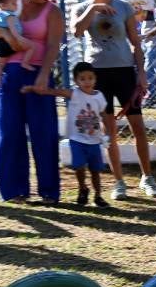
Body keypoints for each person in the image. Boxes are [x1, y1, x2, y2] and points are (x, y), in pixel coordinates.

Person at [72, 0, 156, 199]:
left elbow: (136, 43)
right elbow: (77, 31)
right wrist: (94, 8)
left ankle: (147, 177)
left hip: (124, 72)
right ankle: (119, 182)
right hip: (97, 76)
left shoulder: (123, 7)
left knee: (138, 126)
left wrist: (141, 73)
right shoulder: (80, 8)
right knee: (109, 131)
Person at [0, 0, 62, 204]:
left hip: (37, 71)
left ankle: (49, 191)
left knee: (44, 133)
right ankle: (14, 191)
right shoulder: (9, 0)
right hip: (8, 73)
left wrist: (45, 73)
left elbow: (53, 45)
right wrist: (3, 34)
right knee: (9, 131)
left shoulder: (52, 11)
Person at [28, 62, 109, 207]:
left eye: (90, 78)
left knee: (96, 170)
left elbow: (104, 115)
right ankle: (82, 189)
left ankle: (98, 195)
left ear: (95, 78)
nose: (87, 82)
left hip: (95, 141)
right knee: (79, 167)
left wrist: (107, 134)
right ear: (76, 81)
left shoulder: (100, 97)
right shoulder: (74, 94)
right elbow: (54, 92)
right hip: (77, 140)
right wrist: (35, 88)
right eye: (82, 79)